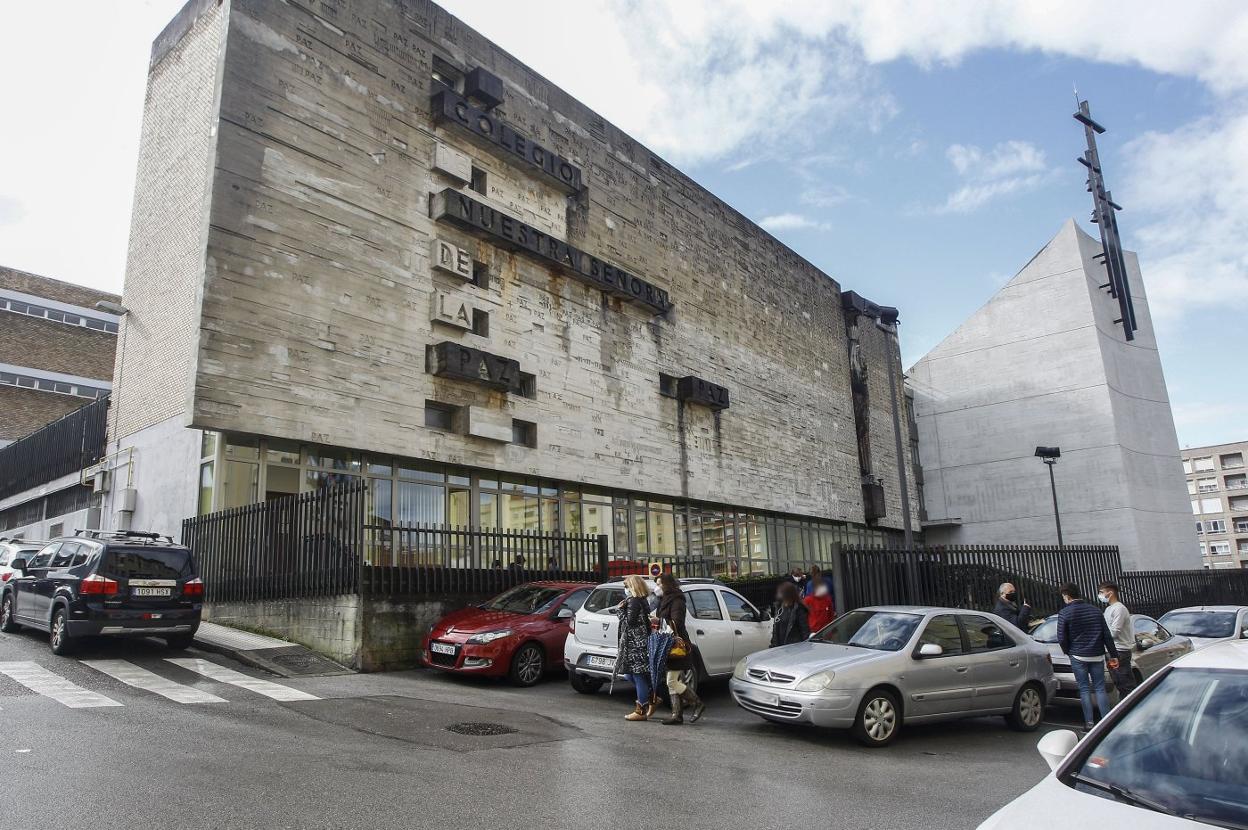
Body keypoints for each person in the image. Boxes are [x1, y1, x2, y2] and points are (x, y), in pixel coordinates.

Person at [1057, 581, 1120, 730]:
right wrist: (1113, 654)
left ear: (1066, 596)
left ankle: (1089, 723)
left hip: (1078, 655)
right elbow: (1107, 635)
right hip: (1097, 654)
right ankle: (1106, 721)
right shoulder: (1096, 610)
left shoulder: (1065, 613)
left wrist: (1068, 651)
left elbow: (1061, 637)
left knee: (1084, 688)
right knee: (1099, 688)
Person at [654, 573, 705, 725]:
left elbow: (677, 622)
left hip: (677, 646)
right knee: (673, 679)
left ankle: (697, 703)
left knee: (671, 681)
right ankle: (677, 715)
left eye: (659, 584)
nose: (657, 587)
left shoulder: (677, 600)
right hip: (667, 645)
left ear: (667, 584)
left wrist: (659, 620)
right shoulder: (664, 599)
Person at [618, 574, 657, 722]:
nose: (625, 589)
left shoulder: (634, 601)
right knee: (630, 674)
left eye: (627, 586)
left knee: (637, 675)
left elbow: (629, 623)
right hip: (640, 643)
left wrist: (620, 610)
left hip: (636, 645)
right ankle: (651, 698)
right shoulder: (642, 600)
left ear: (633, 587)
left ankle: (641, 710)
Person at [1099, 581, 1137, 697]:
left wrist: (1101, 637)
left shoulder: (1119, 609)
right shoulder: (1109, 609)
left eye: (1101, 592)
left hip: (1120, 651)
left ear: (1110, 593)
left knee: (1125, 684)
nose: (1100, 595)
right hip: (1112, 650)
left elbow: (1114, 632)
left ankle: (1131, 709)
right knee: (1119, 683)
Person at [771, 581, 810, 647]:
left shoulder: (798, 609)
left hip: (794, 648)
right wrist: (773, 646)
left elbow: (805, 631)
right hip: (780, 648)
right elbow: (775, 630)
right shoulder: (779, 608)